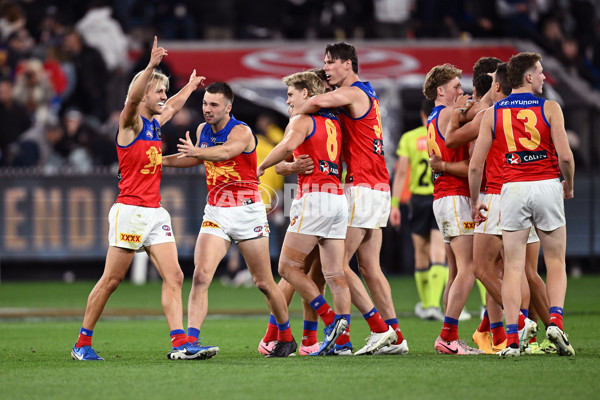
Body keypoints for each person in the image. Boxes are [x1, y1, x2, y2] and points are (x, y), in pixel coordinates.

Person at [71, 37, 208, 361]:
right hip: (130, 211)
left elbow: (173, 106)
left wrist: (188, 87)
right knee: (112, 280)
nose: (163, 96)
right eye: (158, 91)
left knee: (174, 276)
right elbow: (131, 100)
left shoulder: (153, 125)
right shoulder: (130, 124)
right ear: (144, 92)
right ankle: (82, 343)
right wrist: (149, 66)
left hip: (154, 212)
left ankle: (179, 344)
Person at [163, 81, 297, 358]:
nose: (207, 110)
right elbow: (194, 159)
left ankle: (285, 335)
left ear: (228, 107)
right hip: (216, 211)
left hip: (248, 211)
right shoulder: (202, 130)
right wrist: (160, 160)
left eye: (214, 105)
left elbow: (224, 153)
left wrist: (197, 152)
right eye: (204, 104)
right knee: (201, 276)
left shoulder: (242, 131)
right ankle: (190, 342)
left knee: (263, 283)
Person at [296, 42, 405, 356]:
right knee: (370, 268)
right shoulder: (367, 93)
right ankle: (396, 336)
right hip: (377, 185)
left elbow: (315, 103)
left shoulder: (354, 92)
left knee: (337, 266)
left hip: (360, 187)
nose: (327, 67)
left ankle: (378, 329)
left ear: (347, 63)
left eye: (330, 62)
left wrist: (303, 101)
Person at [469, 52, 575, 357]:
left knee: (513, 266)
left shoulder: (492, 113)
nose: (543, 77)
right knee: (554, 261)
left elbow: (476, 166)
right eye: (540, 72)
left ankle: (513, 339)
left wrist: (476, 201)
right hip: (546, 184)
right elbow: (566, 156)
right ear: (528, 77)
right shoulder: (550, 108)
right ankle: (555, 322)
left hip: (511, 189)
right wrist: (569, 183)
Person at [257, 70, 352, 356]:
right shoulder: (333, 121)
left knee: (287, 269)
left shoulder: (301, 120)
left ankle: (329, 322)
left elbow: (286, 147)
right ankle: (342, 343)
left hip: (314, 199)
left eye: (290, 94)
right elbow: (291, 159)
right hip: (337, 198)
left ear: (306, 95)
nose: (287, 100)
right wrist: (287, 167)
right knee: (335, 275)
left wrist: (260, 167)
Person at [422, 63, 484, 355]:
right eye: (457, 87)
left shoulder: (435, 117)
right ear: (441, 90)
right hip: (455, 196)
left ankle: (450, 335)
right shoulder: (450, 113)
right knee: (469, 268)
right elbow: (484, 112)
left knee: (455, 270)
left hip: (442, 198)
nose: (463, 92)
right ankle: (447, 336)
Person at [389, 98, 448, 321]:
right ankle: (433, 304)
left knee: (420, 253)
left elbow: (401, 172)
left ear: (422, 115)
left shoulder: (410, 138)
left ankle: (426, 304)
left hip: (417, 201)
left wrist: (394, 204)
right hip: (440, 196)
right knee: (438, 252)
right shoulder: (445, 136)